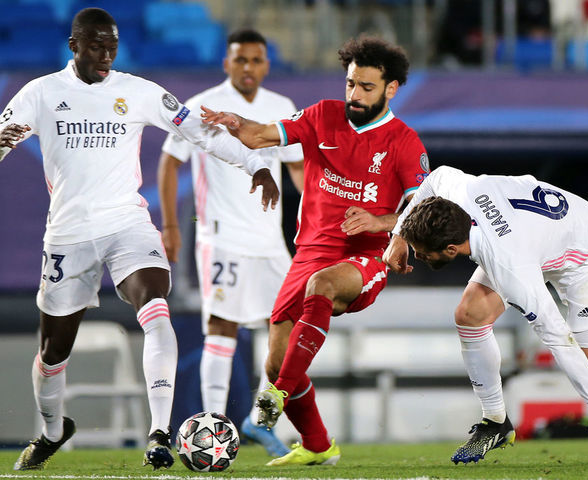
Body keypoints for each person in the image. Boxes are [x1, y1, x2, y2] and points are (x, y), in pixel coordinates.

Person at [0, 8, 279, 471]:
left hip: (127, 223)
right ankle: (51, 430)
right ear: (74, 47)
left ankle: (159, 433)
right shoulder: (41, 93)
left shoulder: (139, 92)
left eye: (111, 46)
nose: (106, 55)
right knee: (52, 353)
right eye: (95, 46)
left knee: (155, 308)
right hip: (68, 236)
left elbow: (203, 133)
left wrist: (256, 164)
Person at [200, 36, 429, 466]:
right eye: (350, 84)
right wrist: (235, 122)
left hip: (367, 257)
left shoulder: (404, 142)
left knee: (320, 289)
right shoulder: (322, 116)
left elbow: (423, 207)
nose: (354, 95)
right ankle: (319, 445)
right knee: (276, 361)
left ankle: (273, 401)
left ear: (391, 89)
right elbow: (262, 135)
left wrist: (381, 223)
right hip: (309, 252)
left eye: (365, 87)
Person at [383, 165, 588, 466]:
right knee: (470, 313)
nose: (418, 255)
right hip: (532, 237)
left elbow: (559, 338)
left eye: (421, 252)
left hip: (585, 252)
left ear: (451, 249)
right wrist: (400, 234)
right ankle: (496, 422)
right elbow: (437, 176)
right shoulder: (461, 194)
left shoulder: (511, 267)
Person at [157, 28, 303, 458]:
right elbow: (169, 162)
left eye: (256, 60)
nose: (248, 68)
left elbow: (297, 169)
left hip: (270, 240)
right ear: (227, 64)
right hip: (221, 236)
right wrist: (171, 227)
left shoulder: (282, 108)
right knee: (223, 327)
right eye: (240, 60)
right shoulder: (204, 106)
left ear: (266, 65)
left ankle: (257, 421)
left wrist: (318, 217)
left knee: (291, 326)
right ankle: (212, 425)